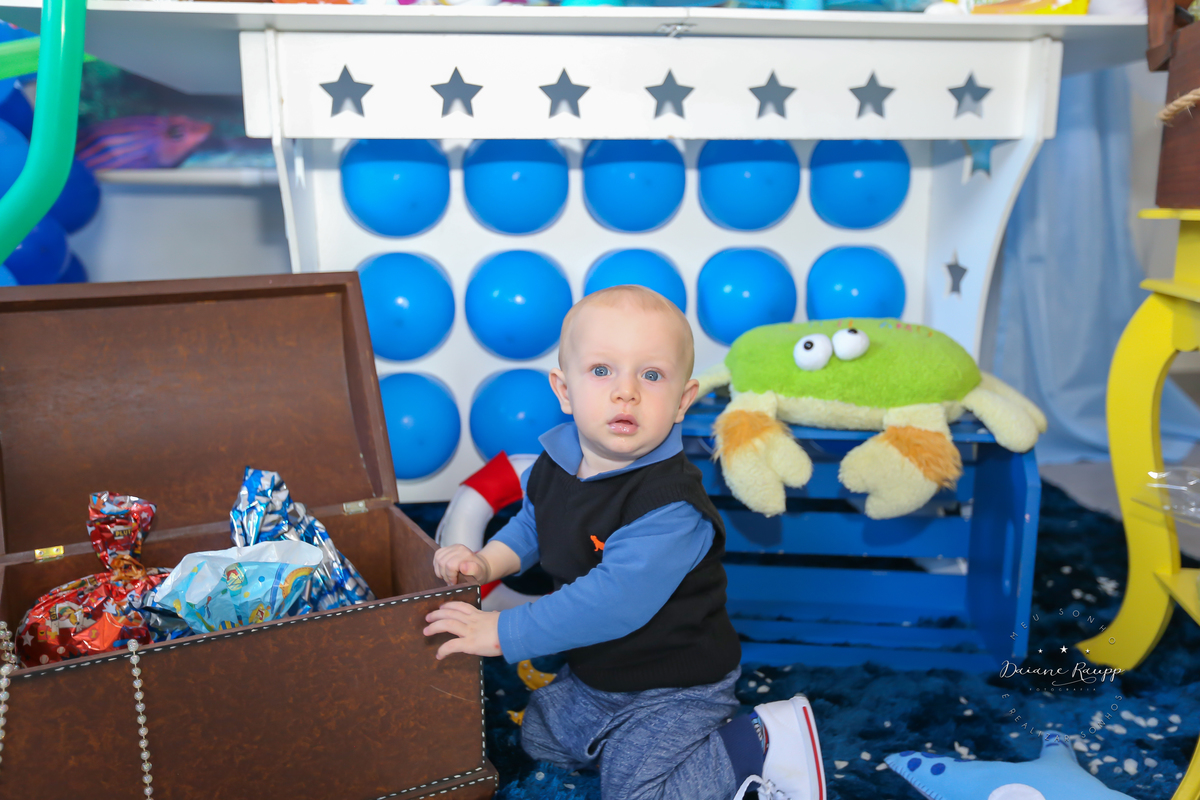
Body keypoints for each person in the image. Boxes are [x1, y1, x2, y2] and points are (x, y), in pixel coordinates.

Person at [423, 285, 825, 800]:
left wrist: (504, 632)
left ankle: (758, 743)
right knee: (540, 736)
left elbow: (610, 602)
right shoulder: (558, 461)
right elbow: (533, 525)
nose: (626, 392)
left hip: (675, 686)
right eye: (601, 370)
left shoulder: (669, 506)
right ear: (564, 390)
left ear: (682, 401)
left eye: (651, 375)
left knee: (636, 792)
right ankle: (625, 743)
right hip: (600, 672)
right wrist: (484, 563)